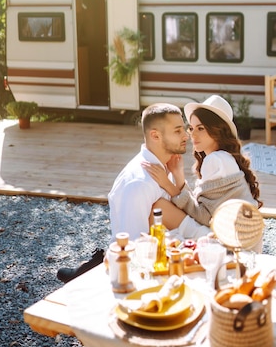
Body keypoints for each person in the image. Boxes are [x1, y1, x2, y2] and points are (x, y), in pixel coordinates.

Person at [142, 95, 262, 231]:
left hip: (233, 242)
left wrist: (167, 184)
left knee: (160, 209)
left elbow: (204, 217)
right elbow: (204, 209)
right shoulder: (223, 157)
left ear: (218, 130)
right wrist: (178, 175)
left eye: (201, 128)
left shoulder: (215, 160)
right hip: (242, 236)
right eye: (192, 128)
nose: (192, 135)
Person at [108, 102, 210, 241]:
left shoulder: (167, 166)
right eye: (177, 131)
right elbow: (134, 243)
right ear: (155, 136)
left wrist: (178, 175)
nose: (186, 136)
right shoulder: (139, 183)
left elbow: (187, 215)